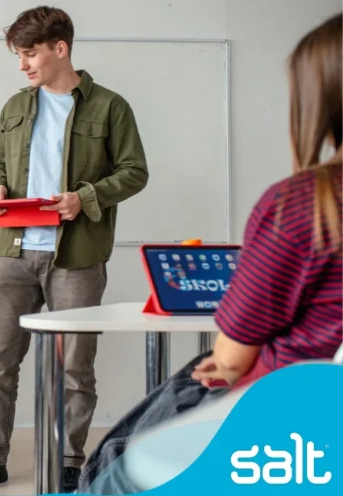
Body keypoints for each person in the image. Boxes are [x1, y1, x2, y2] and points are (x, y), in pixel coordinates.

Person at [79, 13, 343, 494]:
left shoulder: (302, 205)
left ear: (321, 102)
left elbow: (233, 354)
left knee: (112, 470)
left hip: (285, 419)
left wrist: (225, 361)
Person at [0, 6, 149, 492]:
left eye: (29, 53)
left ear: (60, 48)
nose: (22, 65)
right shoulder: (15, 106)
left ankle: (68, 461)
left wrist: (84, 198)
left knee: (74, 367)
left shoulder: (110, 106)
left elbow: (134, 171)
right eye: (19, 55)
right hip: (13, 251)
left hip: (76, 257)